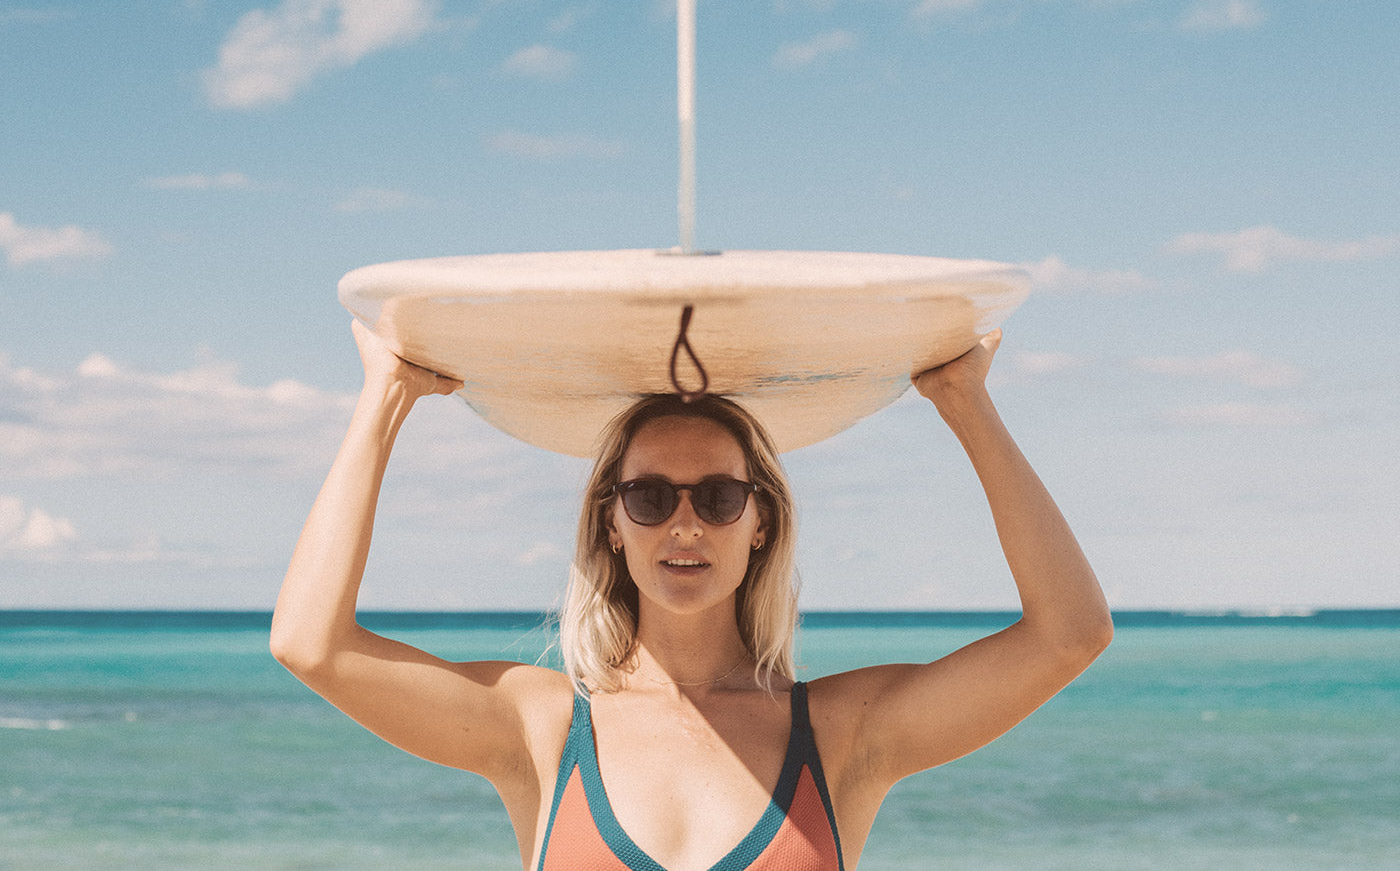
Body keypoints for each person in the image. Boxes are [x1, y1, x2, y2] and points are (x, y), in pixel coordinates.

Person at [271, 320, 1112, 870]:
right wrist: (384, 395)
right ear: (610, 524)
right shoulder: (544, 728)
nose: (683, 524)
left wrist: (965, 400)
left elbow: (1070, 635)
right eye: (648, 497)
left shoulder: (844, 733)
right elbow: (311, 645)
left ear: (759, 525)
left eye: (717, 497)